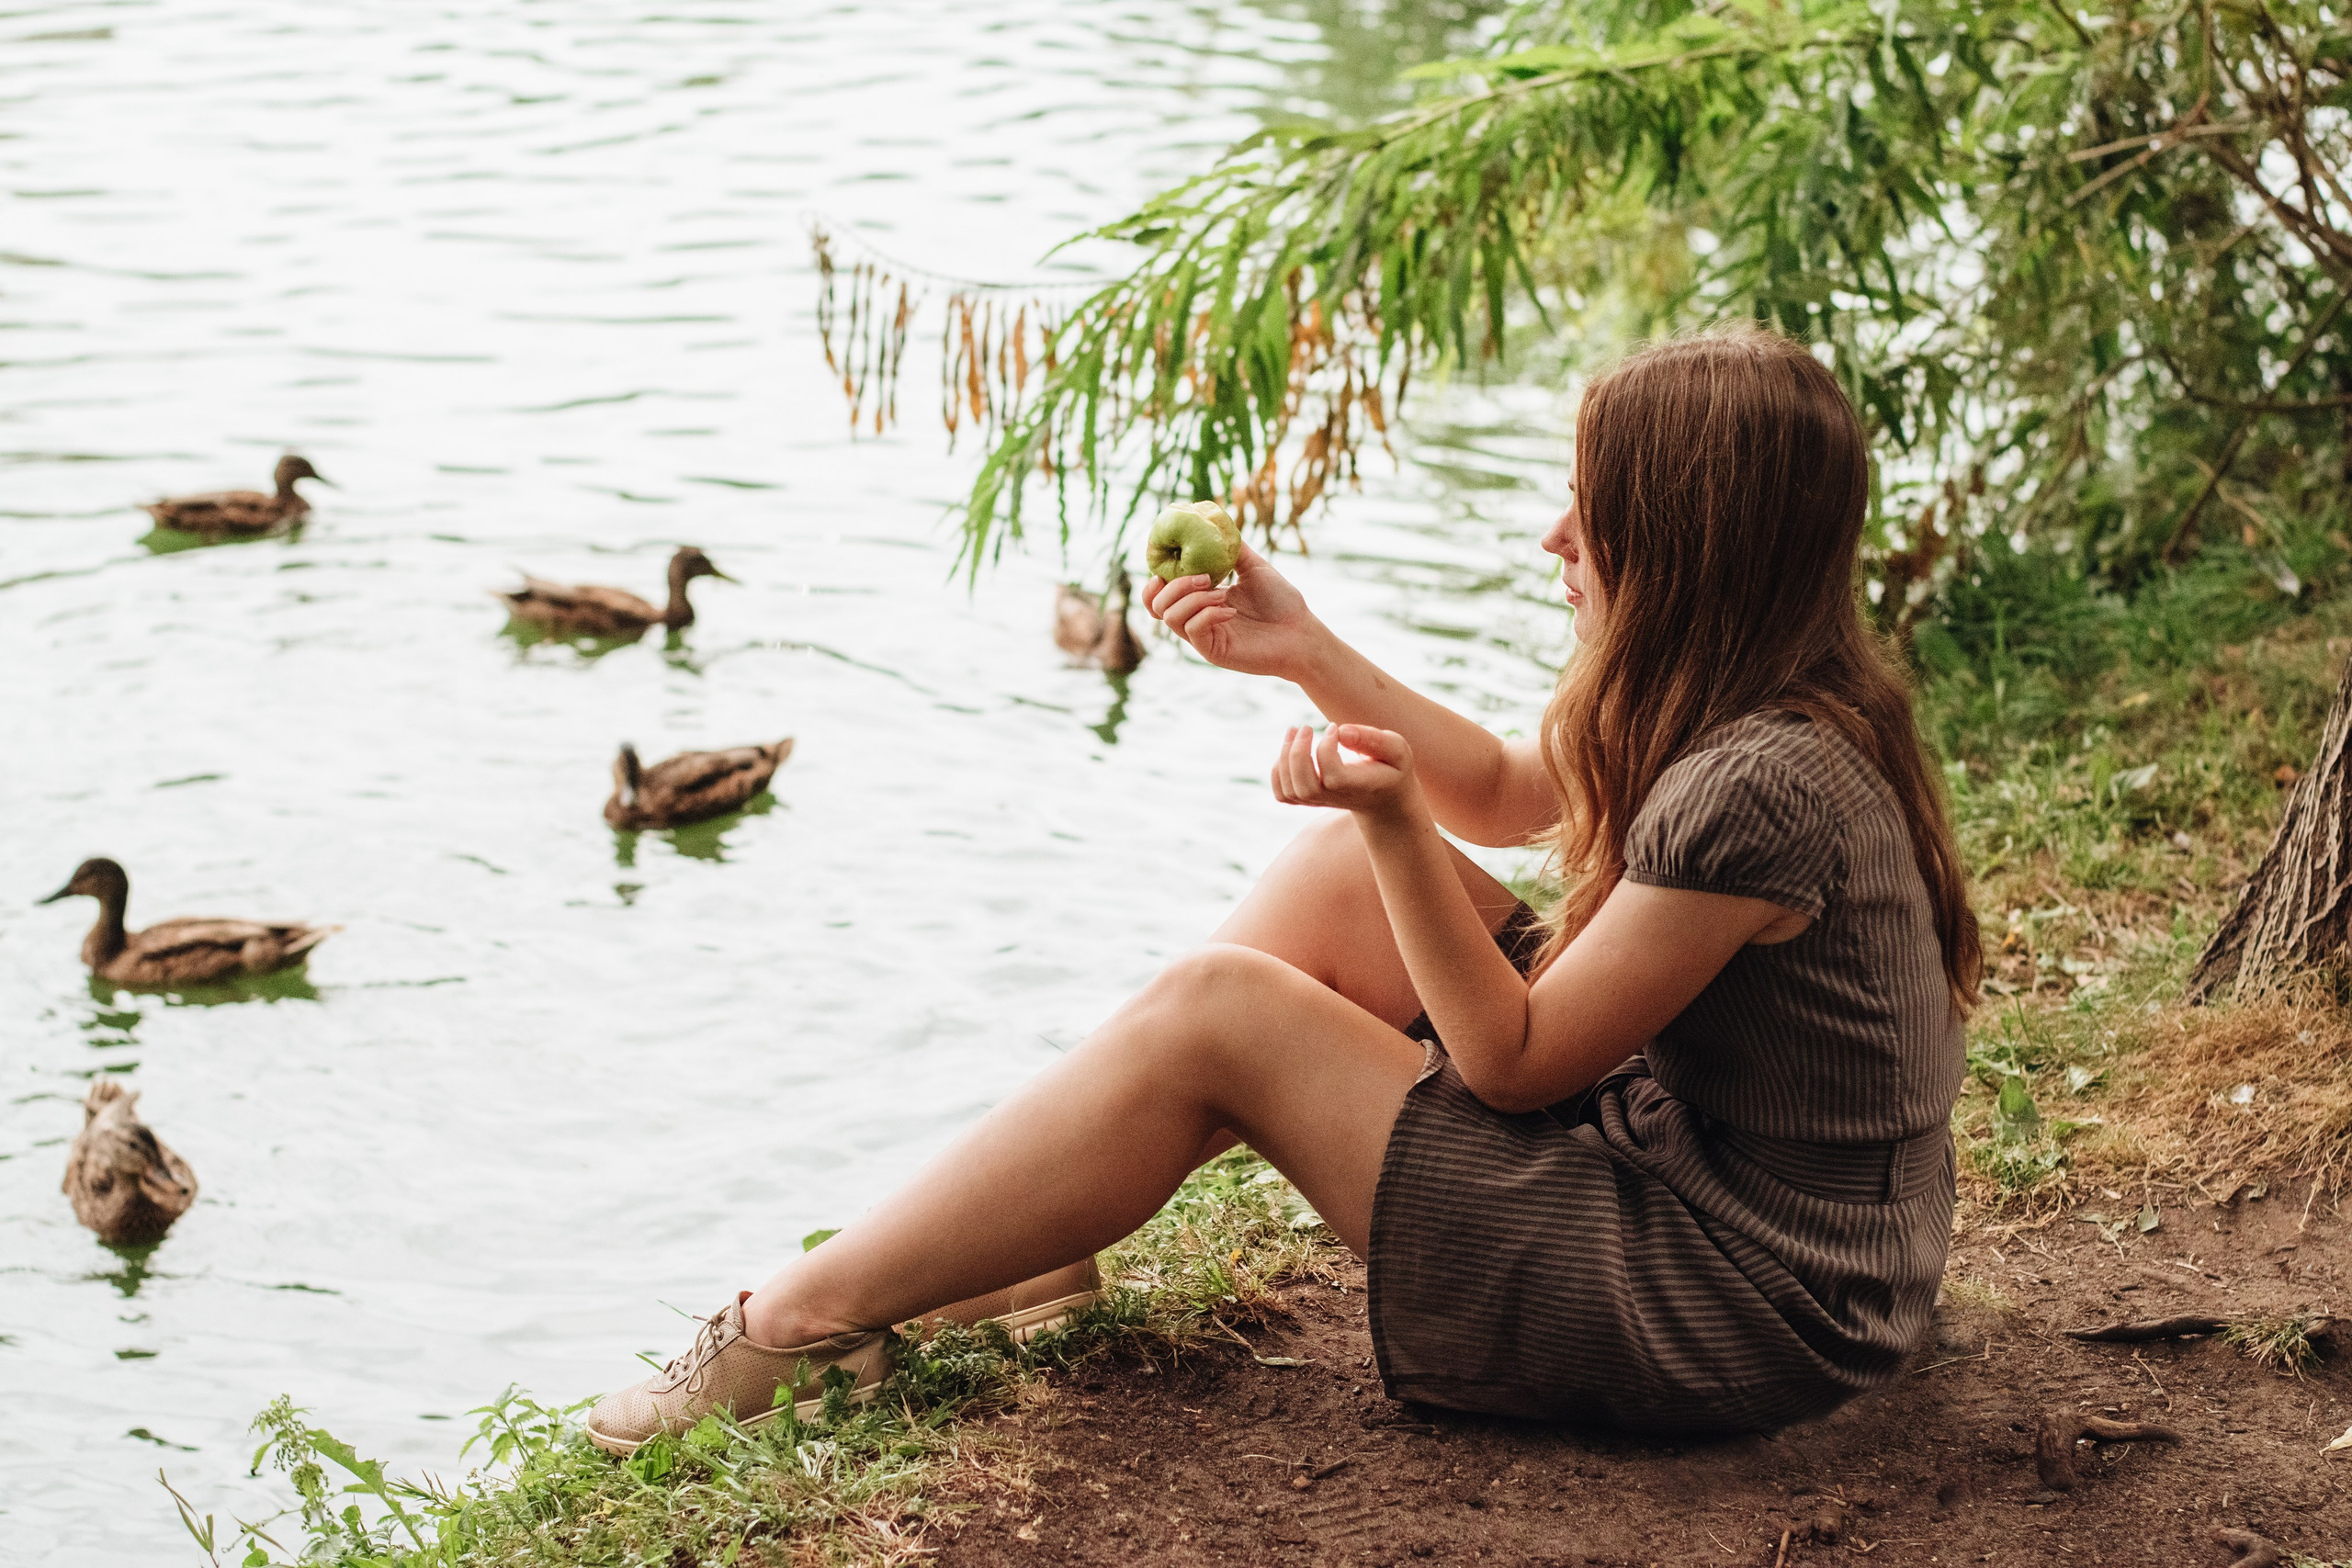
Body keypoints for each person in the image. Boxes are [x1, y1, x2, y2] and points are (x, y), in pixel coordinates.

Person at [582, 326, 1981, 1453]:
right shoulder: (1741, 697)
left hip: (1742, 1299)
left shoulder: (1758, 784)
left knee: (1220, 1014)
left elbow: (1511, 1062)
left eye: (1594, 510)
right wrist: (1299, 645)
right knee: (1325, 883)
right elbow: (1496, 788)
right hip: (1722, 1202)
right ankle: (1026, 1247)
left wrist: (1384, 816)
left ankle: (797, 1321)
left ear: (1690, 545)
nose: (1555, 536)